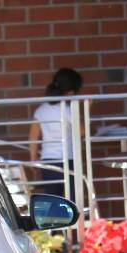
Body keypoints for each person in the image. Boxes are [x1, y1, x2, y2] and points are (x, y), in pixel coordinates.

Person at [29, 68, 83, 202]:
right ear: (71, 92)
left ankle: (54, 223)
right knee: (73, 200)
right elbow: (82, 131)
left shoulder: (41, 110)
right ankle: (73, 223)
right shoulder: (68, 110)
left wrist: (33, 159)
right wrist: (87, 110)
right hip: (68, 159)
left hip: (48, 161)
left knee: (53, 199)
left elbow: (33, 136)